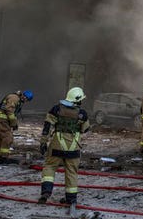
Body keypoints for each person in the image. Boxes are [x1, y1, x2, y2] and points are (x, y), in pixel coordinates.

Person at [38, 87, 90, 217]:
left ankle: (46, 192)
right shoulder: (82, 114)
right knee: (72, 172)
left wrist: (43, 142)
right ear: (78, 100)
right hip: (73, 147)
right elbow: (85, 129)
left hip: (57, 145)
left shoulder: (56, 109)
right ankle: (71, 199)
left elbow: (47, 126)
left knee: (50, 166)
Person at [0, 89, 33, 164]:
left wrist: (14, 123)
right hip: (3, 119)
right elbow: (9, 111)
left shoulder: (17, 99)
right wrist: (14, 123)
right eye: (25, 98)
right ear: (23, 95)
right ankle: (3, 158)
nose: (25, 100)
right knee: (8, 138)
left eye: (27, 99)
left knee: (3, 138)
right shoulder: (14, 98)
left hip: (4, 119)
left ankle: (1, 157)